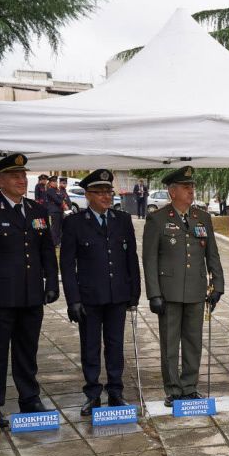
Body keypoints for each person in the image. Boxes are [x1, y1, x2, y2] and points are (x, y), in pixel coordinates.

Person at [0, 153, 59, 428]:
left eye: (23, 175)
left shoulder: (36, 211)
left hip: (31, 295)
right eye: (15, 176)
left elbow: (46, 252)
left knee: (27, 350)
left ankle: (29, 398)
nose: (22, 180)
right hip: (2, 297)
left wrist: (51, 283)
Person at [60, 169, 141, 415]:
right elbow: (67, 263)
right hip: (89, 298)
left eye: (109, 191)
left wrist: (134, 293)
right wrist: (73, 299)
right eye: (100, 192)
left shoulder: (122, 220)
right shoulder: (74, 223)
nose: (106, 196)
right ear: (88, 195)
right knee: (91, 346)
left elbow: (131, 259)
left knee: (115, 346)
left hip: (117, 295)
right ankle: (93, 394)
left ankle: (116, 392)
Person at [142, 165, 224, 406]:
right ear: (172, 191)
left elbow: (213, 255)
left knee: (193, 342)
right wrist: (153, 293)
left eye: (192, 187)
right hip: (169, 292)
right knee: (170, 342)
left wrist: (217, 284)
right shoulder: (157, 219)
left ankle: (189, 386)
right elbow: (149, 260)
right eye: (186, 187)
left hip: (197, 290)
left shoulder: (203, 218)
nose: (191, 191)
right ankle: (173, 389)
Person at [45, 176, 66, 246]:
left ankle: (58, 242)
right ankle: (54, 242)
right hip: (54, 211)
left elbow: (62, 196)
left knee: (60, 227)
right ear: (50, 183)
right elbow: (58, 200)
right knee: (55, 228)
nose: (55, 183)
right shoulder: (50, 190)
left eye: (56, 181)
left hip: (59, 210)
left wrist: (61, 198)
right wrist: (61, 200)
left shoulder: (56, 190)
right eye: (54, 182)